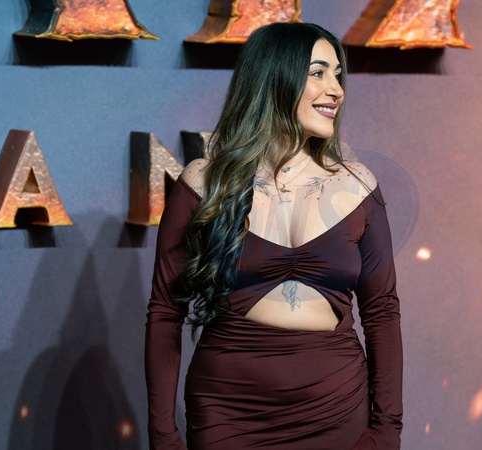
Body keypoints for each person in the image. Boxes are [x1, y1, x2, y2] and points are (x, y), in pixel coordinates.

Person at [145, 22, 403, 449]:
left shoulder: (358, 185)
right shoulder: (205, 182)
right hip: (228, 411)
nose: (337, 90)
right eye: (318, 73)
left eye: (338, 75)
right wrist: (163, 435)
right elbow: (165, 312)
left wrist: (387, 430)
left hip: (336, 408)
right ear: (273, 77)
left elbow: (382, 312)